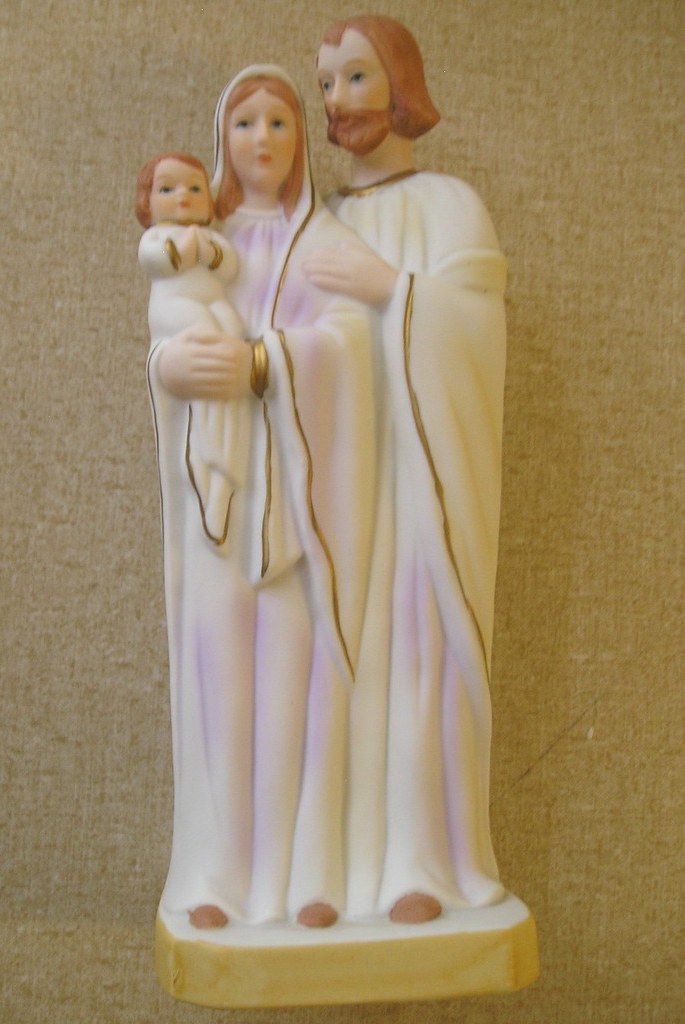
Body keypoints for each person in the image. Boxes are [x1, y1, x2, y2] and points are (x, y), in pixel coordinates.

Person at [148, 66, 375, 931]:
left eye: (280, 121)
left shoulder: (323, 240)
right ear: (223, 141)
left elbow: (352, 348)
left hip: (300, 503)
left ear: (301, 140)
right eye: (245, 123)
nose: (263, 139)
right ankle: (219, 874)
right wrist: (171, 367)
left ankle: (300, 874)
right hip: (221, 498)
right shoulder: (202, 243)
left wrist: (265, 361)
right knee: (218, 681)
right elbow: (167, 332)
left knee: (295, 684)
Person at [306, 15, 507, 922]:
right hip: (338, 486)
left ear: (400, 84)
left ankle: (421, 861)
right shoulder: (319, 219)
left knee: (415, 658)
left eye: (356, 76)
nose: (337, 100)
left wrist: (393, 291)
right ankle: (328, 868)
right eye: (326, 83)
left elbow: (479, 329)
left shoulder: (449, 205)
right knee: (331, 666)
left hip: (420, 485)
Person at [136, 151, 249, 541]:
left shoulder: (211, 237)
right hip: (176, 312)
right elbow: (159, 261)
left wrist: (209, 250)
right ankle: (206, 467)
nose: (183, 196)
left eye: (195, 188)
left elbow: (229, 266)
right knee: (209, 343)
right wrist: (189, 249)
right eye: (168, 189)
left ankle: (222, 475)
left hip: (214, 308)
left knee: (232, 334)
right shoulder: (156, 237)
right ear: (147, 201)